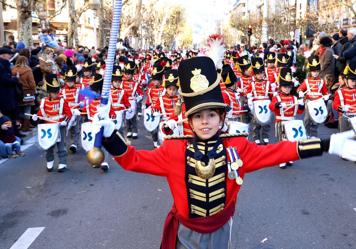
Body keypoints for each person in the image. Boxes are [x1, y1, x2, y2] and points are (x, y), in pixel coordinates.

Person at [95, 56, 355, 248]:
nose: (205, 122)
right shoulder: (174, 148)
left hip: (221, 230)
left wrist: (328, 144)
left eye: (211, 115)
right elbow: (134, 160)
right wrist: (109, 136)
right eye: (198, 116)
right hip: (185, 231)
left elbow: (281, 151)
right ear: (189, 119)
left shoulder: (236, 146)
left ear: (222, 118)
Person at [32, 74, 72, 172]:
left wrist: (64, 122)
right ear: (49, 92)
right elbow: (41, 113)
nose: (56, 94)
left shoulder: (63, 101)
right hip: (48, 127)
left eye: (57, 92)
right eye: (53, 93)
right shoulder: (44, 102)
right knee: (49, 146)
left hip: (60, 126)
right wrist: (35, 117)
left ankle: (62, 163)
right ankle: (49, 162)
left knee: (61, 146)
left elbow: (69, 114)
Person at [269, 68, 305, 168]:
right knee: (282, 142)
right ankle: (282, 159)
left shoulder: (294, 98)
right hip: (281, 121)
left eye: (288, 87)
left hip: (291, 122)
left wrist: (301, 104)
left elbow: (299, 111)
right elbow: (271, 106)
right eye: (284, 87)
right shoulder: (277, 97)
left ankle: (288, 157)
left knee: (291, 141)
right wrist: (277, 105)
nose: (287, 89)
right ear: (280, 87)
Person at [297, 55, 329, 138]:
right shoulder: (307, 81)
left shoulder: (322, 81)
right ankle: (306, 133)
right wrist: (300, 92)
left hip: (318, 102)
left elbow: (325, 92)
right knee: (307, 119)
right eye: (313, 71)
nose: (315, 73)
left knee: (315, 120)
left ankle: (314, 135)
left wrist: (326, 96)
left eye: (317, 71)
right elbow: (299, 89)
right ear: (311, 72)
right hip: (309, 102)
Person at [11, 56, 36, 132]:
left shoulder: (13, 69)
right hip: (27, 92)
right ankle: (26, 126)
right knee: (27, 109)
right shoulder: (28, 70)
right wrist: (34, 89)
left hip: (17, 92)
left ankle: (19, 125)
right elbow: (32, 83)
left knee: (19, 109)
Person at [146, 60, 165, 147]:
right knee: (153, 128)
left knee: (160, 128)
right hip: (153, 110)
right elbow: (148, 99)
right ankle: (155, 141)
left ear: (161, 80)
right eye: (154, 80)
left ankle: (160, 144)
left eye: (157, 80)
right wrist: (147, 106)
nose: (155, 82)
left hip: (162, 111)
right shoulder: (150, 88)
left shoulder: (164, 89)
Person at [333, 61, 356, 132]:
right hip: (344, 117)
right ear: (346, 80)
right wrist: (342, 108)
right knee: (344, 136)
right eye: (352, 80)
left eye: (355, 80)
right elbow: (335, 105)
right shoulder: (340, 92)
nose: (354, 83)